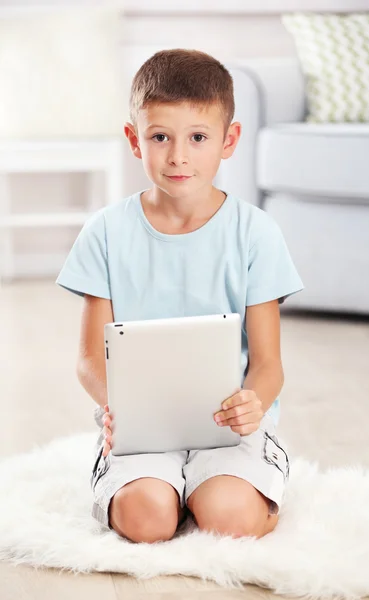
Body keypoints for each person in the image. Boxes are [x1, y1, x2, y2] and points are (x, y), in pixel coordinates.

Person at [56, 48, 304, 544]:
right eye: (160, 137)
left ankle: (226, 489)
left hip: (228, 424)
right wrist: (116, 410)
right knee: (146, 522)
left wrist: (253, 404)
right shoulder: (105, 232)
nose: (178, 156)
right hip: (140, 428)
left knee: (230, 521)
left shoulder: (256, 233)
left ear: (229, 140)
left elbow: (268, 363)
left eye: (197, 138)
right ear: (134, 139)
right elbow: (89, 359)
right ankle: (166, 490)